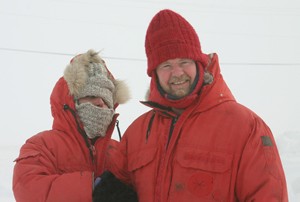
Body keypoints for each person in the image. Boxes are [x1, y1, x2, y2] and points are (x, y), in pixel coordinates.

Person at [106, 9, 289, 201]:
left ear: (199, 64)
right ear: (154, 73)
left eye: (184, 62)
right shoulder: (137, 133)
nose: (177, 73)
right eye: (166, 65)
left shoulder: (246, 127)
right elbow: (100, 170)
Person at [12, 49, 135, 202]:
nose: (100, 103)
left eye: (106, 100)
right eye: (91, 96)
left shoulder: (120, 151)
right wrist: (91, 189)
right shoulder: (42, 146)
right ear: (72, 102)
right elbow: (27, 189)